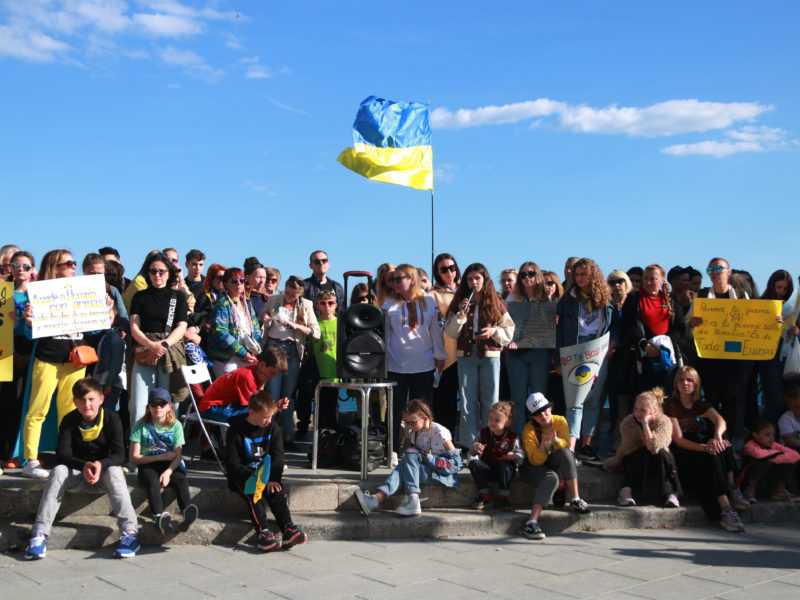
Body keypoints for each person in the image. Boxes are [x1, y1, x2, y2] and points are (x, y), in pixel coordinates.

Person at [25, 378, 139, 559]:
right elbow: (62, 455)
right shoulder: (69, 420)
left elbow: (119, 455)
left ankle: (130, 534)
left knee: (115, 470)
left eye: (91, 399)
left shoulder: (112, 419)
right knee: (58, 470)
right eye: (82, 400)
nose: (87, 404)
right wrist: (83, 466)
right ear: (75, 402)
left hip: (103, 476)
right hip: (77, 475)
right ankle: (39, 534)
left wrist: (100, 465)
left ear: (101, 399)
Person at [21, 249, 96, 479]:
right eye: (69, 264)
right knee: (37, 411)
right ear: (55, 267)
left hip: (75, 361)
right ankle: (30, 461)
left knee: (72, 412)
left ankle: (68, 459)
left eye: (74, 263)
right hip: (48, 358)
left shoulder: (82, 291)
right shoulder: (39, 293)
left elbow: (94, 328)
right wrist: (28, 321)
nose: (74, 267)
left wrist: (104, 309)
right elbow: (28, 333)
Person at [664, 366, 748, 532]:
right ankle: (725, 507)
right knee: (712, 454)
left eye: (689, 380)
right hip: (683, 451)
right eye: (681, 380)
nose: (685, 383)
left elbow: (721, 421)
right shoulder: (671, 406)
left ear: (696, 384)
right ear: (676, 384)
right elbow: (679, 440)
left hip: (699, 445)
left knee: (723, 443)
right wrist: (705, 448)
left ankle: (732, 487)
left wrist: (717, 436)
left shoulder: (700, 404)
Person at [225, 390, 307, 551]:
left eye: (270, 417)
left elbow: (278, 457)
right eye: (265, 417)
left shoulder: (273, 428)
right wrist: (252, 476)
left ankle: (288, 529)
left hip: (266, 473)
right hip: (244, 475)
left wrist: (273, 478)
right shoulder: (235, 430)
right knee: (253, 494)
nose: (268, 421)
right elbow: (232, 462)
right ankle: (263, 531)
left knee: (277, 492)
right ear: (252, 413)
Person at [445, 263, 514, 448]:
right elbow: (451, 332)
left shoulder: (496, 302)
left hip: (490, 355)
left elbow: (509, 332)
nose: (473, 282)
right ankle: (471, 446)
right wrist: (461, 315)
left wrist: (492, 333)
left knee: (490, 401)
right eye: (469, 279)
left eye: (477, 278)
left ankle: (490, 444)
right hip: (466, 354)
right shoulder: (460, 301)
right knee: (467, 402)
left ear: (485, 280)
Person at [354, 399, 461, 517]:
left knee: (408, 458)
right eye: (407, 422)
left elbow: (456, 463)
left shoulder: (440, 431)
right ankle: (377, 499)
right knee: (406, 462)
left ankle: (412, 499)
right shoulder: (415, 433)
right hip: (425, 471)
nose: (410, 426)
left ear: (425, 418)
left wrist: (428, 458)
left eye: (412, 422)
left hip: (440, 475)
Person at [383, 264, 448, 453]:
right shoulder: (388, 303)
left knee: (424, 411)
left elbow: (436, 331)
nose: (394, 283)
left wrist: (440, 357)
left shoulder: (429, 302)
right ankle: (392, 449)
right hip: (396, 366)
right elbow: (384, 334)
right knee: (395, 410)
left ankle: (426, 448)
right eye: (393, 279)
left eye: (398, 278)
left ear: (412, 279)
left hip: (424, 365)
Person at [688, 257, 750, 443]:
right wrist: (692, 323)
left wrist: (774, 321)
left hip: (734, 358)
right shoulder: (702, 295)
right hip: (710, 357)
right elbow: (687, 323)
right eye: (710, 269)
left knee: (734, 401)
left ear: (728, 272)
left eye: (719, 268)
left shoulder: (740, 294)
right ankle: (711, 439)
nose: (714, 272)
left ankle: (733, 442)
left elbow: (752, 321)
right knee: (711, 401)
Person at [556, 257, 613, 457]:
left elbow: (613, 326)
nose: (580, 278)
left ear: (593, 276)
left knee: (593, 401)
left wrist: (612, 344)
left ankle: (587, 444)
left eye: (584, 275)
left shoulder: (605, 299)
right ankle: (571, 446)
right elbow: (560, 331)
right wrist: (558, 359)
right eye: (577, 274)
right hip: (575, 350)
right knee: (574, 400)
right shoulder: (568, 299)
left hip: (598, 351)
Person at [519, 393, 591, 541]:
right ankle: (531, 522)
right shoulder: (529, 430)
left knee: (567, 453)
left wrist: (556, 440)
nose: (543, 416)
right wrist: (542, 447)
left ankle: (576, 499)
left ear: (550, 408)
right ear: (532, 417)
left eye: (545, 410)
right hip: (531, 467)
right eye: (538, 414)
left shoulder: (560, 420)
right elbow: (534, 461)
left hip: (553, 462)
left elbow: (565, 444)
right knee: (551, 477)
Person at [259, 275, 320, 450]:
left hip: (292, 350)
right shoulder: (274, 300)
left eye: (293, 295)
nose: (288, 297)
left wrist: (297, 326)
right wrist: (264, 318)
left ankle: (287, 435)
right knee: (272, 393)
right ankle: (268, 435)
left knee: (288, 394)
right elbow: (263, 317)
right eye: (287, 293)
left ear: (299, 294)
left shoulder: (305, 305)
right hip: (273, 347)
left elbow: (316, 332)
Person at [129, 252, 188, 427]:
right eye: (153, 271)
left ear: (169, 273)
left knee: (167, 403)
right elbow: (134, 327)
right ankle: (137, 446)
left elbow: (182, 326)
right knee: (139, 402)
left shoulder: (178, 297)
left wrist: (163, 345)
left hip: (169, 350)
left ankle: (168, 446)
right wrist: (151, 345)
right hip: (144, 349)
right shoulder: (140, 297)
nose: (157, 275)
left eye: (161, 271)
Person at [130, 388, 198, 535]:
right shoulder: (140, 426)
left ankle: (187, 513)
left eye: (162, 404)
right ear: (148, 406)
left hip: (170, 464)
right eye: (154, 404)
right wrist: (158, 457)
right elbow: (134, 458)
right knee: (152, 481)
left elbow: (178, 455)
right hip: (148, 463)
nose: (158, 407)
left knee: (181, 479)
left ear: (169, 406)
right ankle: (158, 517)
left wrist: (168, 471)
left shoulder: (176, 426)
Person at [603, 388, 679, 507]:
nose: (638, 413)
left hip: (657, 462)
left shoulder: (664, 422)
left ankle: (670, 493)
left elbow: (656, 447)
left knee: (662, 453)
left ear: (654, 411)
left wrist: (645, 424)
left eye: (643, 410)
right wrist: (647, 442)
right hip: (636, 461)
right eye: (636, 409)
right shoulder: (627, 424)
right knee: (638, 454)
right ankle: (625, 490)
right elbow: (628, 449)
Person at [621, 264, 685, 394]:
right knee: (645, 397)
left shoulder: (671, 301)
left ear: (662, 279)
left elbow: (680, 326)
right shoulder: (633, 300)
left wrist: (664, 345)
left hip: (667, 357)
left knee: (667, 397)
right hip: (643, 358)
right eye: (646, 279)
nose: (649, 282)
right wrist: (645, 345)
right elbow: (629, 326)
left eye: (653, 279)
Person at [505, 261, 551, 436]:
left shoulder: (546, 298)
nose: (527, 278)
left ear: (537, 276)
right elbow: (506, 325)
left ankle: (540, 436)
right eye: (523, 275)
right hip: (517, 353)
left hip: (539, 351)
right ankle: (518, 440)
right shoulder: (512, 298)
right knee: (518, 398)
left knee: (539, 399)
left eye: (531, 274)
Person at [0, 250, 34, 469]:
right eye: (16, 265)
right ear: (9, 268)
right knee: (7, 404)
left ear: (33, 270)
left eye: (26, 266)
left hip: (32, 347)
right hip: (6, 349)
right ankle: (6, 454)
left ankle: (24, 453)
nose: (21, 270)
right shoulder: (2, 292)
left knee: (28, 403)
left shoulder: (40, 293)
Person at [198, 346, 289, 421]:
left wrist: (273, 405)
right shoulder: (247, 378)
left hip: (225, 405)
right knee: (254, 413)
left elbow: (259, 397)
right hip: (211, 408)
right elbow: (255, 406)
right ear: (262, 365)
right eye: (272, 373)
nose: (272, 377)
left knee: (257, 412)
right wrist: (274, 407)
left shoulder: (258, 370)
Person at [467, 401, 524, 511]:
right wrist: (475, 447)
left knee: (505, 466)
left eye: (497, 420)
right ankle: (485, 494)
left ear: (507, 422)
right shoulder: (483, 433)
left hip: (504, 472)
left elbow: (521, 456)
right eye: (490, 419)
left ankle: (504, 496)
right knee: (474, 463)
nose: (492, 422)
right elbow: (471, 453)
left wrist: (514, 456)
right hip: (488, 468)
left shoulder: (512, 437)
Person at [207, 267, 262, 378]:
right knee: (231, 393)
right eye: (234, 281)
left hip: (247, 358)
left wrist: (255, 351)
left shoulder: (247, 303)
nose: (238, 283)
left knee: (247, 392)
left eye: (241, 280)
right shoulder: (222, 303)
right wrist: (242, 353)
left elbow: (255, 330)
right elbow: (220, 332)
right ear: (226, 284)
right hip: (227, 359)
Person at [429, 253, 461, 438]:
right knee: (445, 403)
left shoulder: (467, 290)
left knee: (469, 402)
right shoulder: (433, 294)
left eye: (452, 267)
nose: (449, 272)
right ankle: (443, 442)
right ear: (437, 273)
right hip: (446, 357)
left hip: (468, 355)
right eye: (444, 269)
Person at [758, 269, 794, 424]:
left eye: (785, 289)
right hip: (769, 354)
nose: (781, 292)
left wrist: (796, 330)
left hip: (789, 353)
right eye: (779, 287)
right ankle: (766, 434)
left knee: (790, 398)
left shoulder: (793, 305)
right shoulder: (760, 304)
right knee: (775, 399)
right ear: (772, 286)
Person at [738, 418, 800, 502]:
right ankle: (750, 491)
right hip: (748, 483)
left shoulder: (774, 445)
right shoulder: (749, 445)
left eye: (773, 435)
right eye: (767, 435)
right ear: (756, 435)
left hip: (767, 483)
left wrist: (774, 458)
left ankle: (780, 491)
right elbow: (758, 454)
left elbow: (795, 455)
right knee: (761, 460)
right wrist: (777, 454)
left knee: (788, 461)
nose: (772, 438)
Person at [310, 291, 339, 429]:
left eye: (330, 303)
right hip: (318, 371)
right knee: (319, 408)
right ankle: (319, 440)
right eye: (323, 303)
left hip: (334, 371)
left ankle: (332, 442)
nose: (327, 306)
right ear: (318, 305)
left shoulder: (340, 323)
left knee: (332, 408)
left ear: (336, 305)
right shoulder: (314, 323)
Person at [778, 384, 800, 449]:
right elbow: (790, 442)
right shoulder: (785, 419)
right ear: (790, 407)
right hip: (791, 449)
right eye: (797, 407)